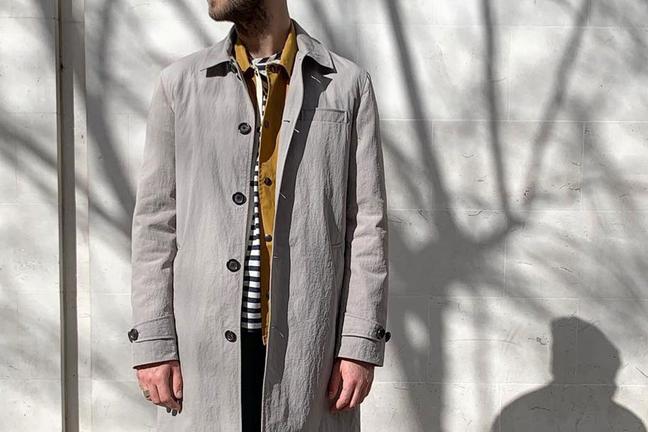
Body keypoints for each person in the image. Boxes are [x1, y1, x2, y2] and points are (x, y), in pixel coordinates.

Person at [128, 0, 391, 430]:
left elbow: (366, 224)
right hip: (203, 349)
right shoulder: (180, 84)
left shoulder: (346, 85)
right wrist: (153, 340)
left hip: (310, 348)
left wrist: (359, 342)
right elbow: (156, 223)